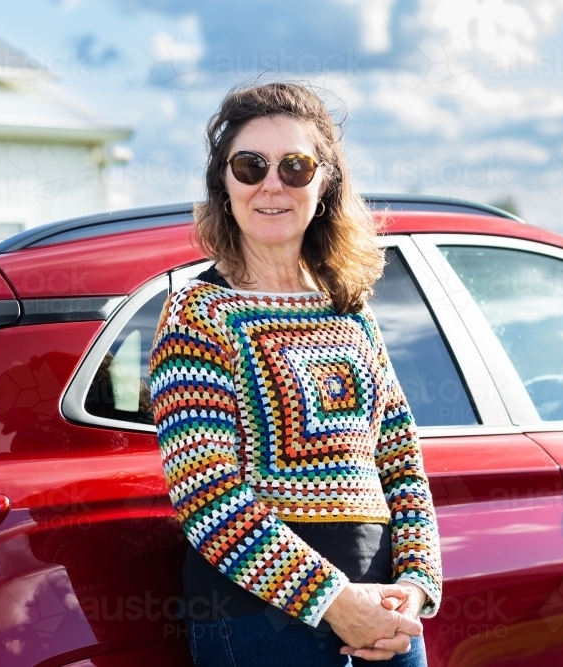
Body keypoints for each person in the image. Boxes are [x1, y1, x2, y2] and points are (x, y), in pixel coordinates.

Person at [148, 81, 443, 667]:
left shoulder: (350, 313)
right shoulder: (199, 315)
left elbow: (402, 464)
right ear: (224, 184)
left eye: (296, 166)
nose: (271, 184)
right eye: (250, 165)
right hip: (263, 626)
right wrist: (335, 602)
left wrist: (414, 587)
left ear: (325, 182)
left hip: (387, 622)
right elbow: (208, 496)